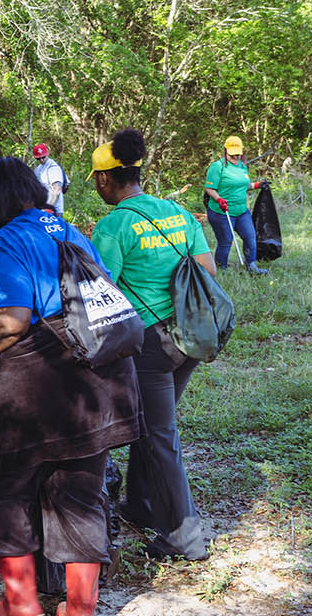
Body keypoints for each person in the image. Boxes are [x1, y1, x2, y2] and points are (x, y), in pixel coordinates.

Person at [0, 158, 143, 616]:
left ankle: (21, 602)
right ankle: (81, 615)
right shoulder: (69, 230)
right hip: (100, 380)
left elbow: (9, 320)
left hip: (39, 378)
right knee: (81, 491)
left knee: (0, 481)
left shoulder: (8, 238)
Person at [89, 129, 216, 561]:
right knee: (147, 423)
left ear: (106, 180)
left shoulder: (114, 225)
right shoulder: (179, 213)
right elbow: (208, 270)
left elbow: (99, 289)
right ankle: (141, 506)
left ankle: (186, 537)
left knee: (160, 435)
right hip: (188, 337)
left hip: (148, 347)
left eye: (95, 179)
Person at [204, 136, 269, 275]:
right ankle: (221, 268)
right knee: (226, 241)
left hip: (241, 211)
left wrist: (257, 185)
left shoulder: (242, 167)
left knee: (250, 236)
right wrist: (219, 199)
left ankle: (252, 265)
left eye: (238, 154)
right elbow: (209, 189)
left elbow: (244, 186)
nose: (235, 157)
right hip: (221, 211)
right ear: (225, 152)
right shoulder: (218, 167)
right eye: (232, 155)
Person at [31, 143, 67, 215]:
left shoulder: (53, 167)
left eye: (43, 157)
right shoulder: (38, 169)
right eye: (38, 158)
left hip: (54, 209)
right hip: (42, 208)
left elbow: (57, 189)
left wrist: (49, 207)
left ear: (47, 154)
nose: (41, 160)